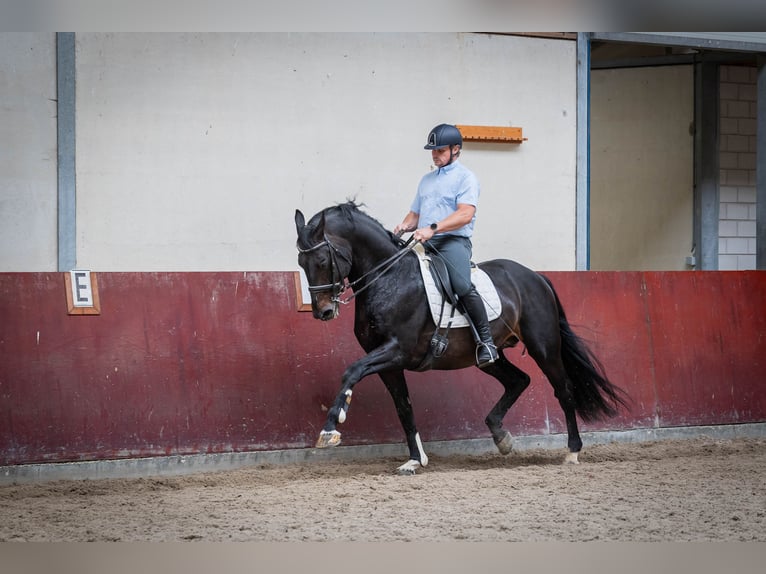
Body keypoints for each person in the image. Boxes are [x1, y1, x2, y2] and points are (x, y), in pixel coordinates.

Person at [394, 123, 498, 368]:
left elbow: (464, 215)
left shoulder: (466, 178)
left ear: (456, 149)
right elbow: (415, 214)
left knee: (461, 284)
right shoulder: (426, 180)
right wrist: (403, 226)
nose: (435, 154)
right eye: (433, 150)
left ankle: (486, 342)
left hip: (452, 241)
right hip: (425, 239)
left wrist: (433, 229)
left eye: (440, 150)